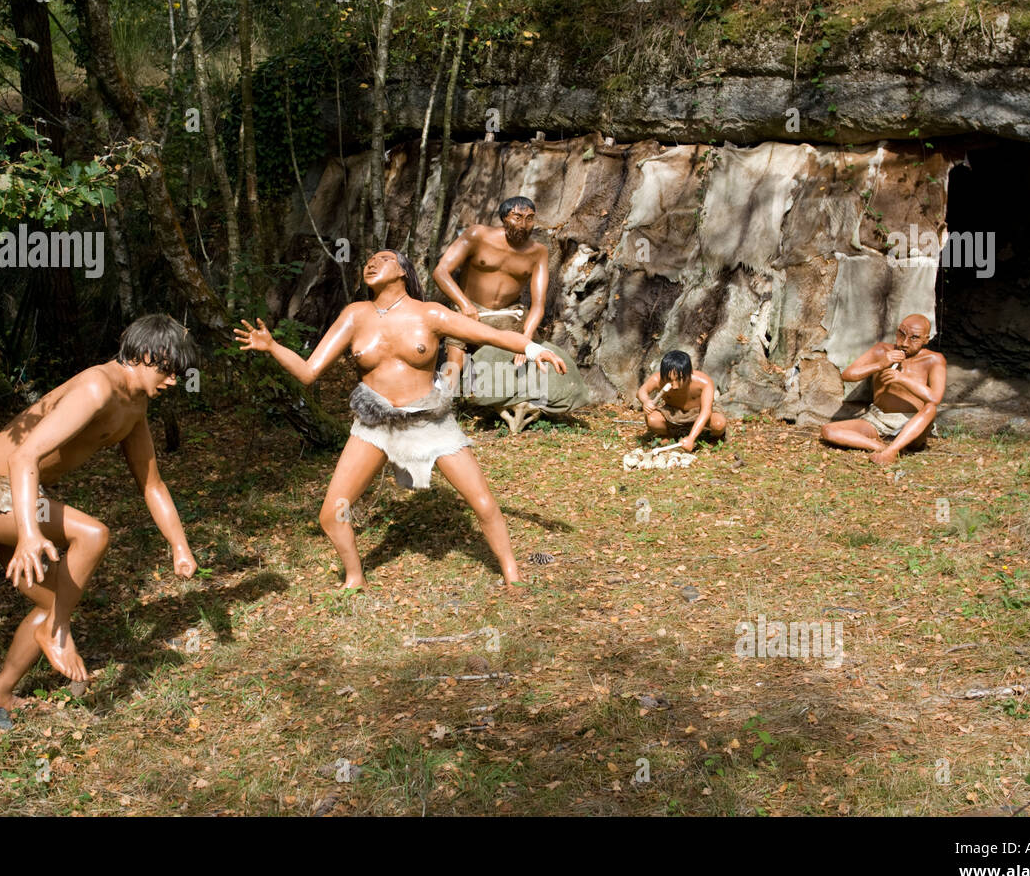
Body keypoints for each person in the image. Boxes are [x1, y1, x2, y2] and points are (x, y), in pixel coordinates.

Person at [234, 249, 568, 590]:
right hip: (375, 423)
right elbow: (308, 372)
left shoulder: (430, 313)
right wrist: (273, 347)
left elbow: (493, 336)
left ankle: (511, 572)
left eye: (383, 258)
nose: (372, 263)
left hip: (429, 421)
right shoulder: (355, 315)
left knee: (483, 503)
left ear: (403, 272)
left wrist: (534, 350)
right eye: (368, 261)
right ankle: (355, 577)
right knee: (331, 514)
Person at [0, 315, 199, 731]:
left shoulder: (135, 403)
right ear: (147, 356)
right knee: (93, 534)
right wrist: (29, 533)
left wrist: (179, 545)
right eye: (169, 370)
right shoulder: (97, 387)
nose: (173, 381)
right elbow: (24, 457)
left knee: (56, 599)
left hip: (18, 496)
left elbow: (152, 483)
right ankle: (57, 633)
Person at [431, 196, 586, 427]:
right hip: (469, 311)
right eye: (517, 217)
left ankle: (516, 403)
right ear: (504, 218)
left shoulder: (538, 252)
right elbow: (441, 272)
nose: (523, 225)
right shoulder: (477, 235)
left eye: (530, 219)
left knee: (522, 360)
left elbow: (538, 304)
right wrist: (464, 305)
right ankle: (441, 413)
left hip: (508, 315)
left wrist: (525, 339)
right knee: (455, 361)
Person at [819, 313, 946, 464]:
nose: (904, 343)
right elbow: (847, 375)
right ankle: (880, 447)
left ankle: (892, 451)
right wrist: (880, 364)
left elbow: (935, 398)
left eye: (914, 338)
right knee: (828, 430)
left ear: (926, 339)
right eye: (902, 334)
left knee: (931, 409)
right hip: (877, 420)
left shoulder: (934, 359)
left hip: (912, 422)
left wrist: (902, 379)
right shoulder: (881, 350)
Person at [636, 350, 726, 451]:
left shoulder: (704, 382)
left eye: (679, 379)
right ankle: (668, 434)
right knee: (653, 420)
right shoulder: (658, 379)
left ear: (689, 373)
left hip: (698, 412)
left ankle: (710, 437)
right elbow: (641, 391)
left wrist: (691, 438)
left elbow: (706, 411)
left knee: (718, 424)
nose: (675, 386)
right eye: (669, 379)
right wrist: (646, 401)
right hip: (673, 413)